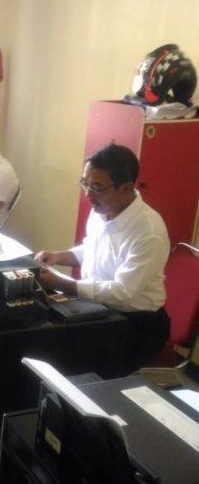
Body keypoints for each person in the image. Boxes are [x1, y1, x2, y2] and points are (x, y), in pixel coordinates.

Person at [34, 143, 170, 374]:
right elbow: (93, 250)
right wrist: (58, 256)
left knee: (71, 365)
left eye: (96, 187)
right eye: (85, 183)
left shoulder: (148, 231)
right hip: (97, 308)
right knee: (43, 340)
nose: (88, 194)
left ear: (126, 188)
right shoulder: (102, 209)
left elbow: (122, 293)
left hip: (136, 323)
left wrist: (63, 284)